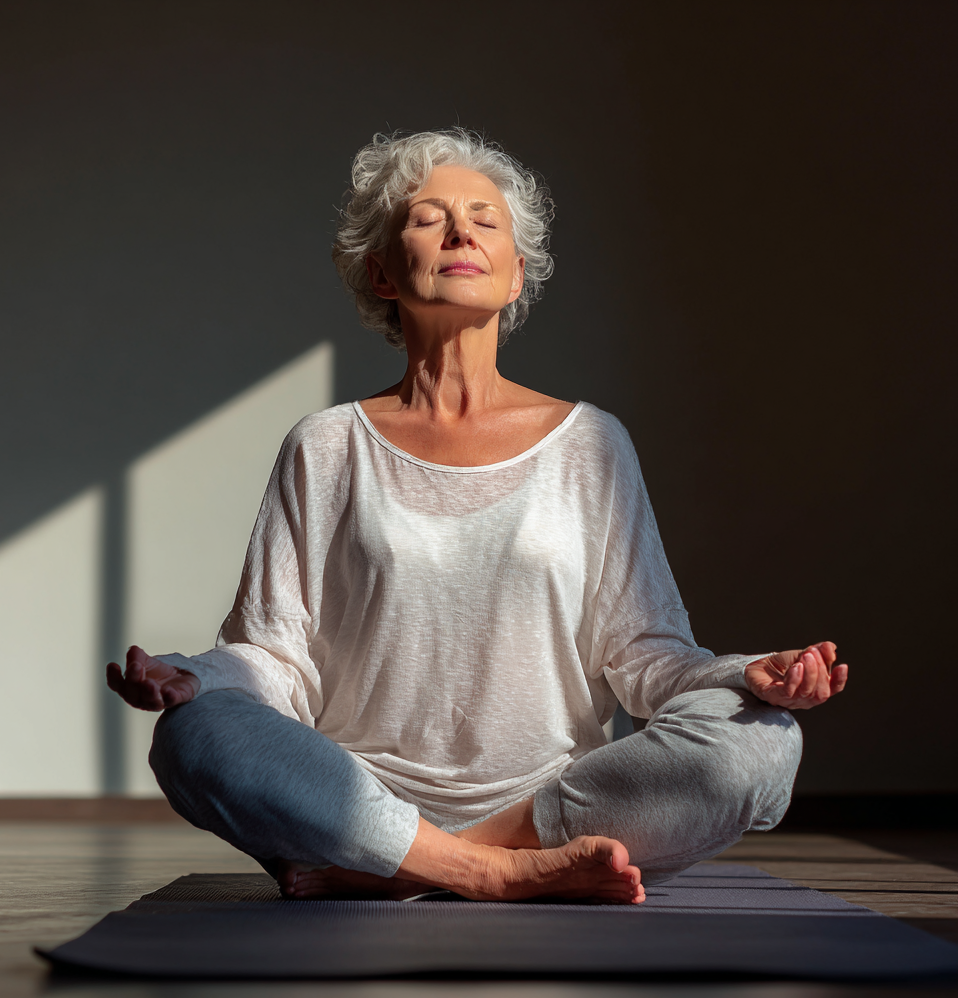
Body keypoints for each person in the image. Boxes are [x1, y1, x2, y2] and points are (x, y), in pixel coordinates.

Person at [107, 129, 847, 904]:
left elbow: (648, 657)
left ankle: (407, 867)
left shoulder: (592, 442)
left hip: (558, 806)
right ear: (382, 272)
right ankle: (487, 874)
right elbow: (275, 656)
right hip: (354, 796)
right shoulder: (324, 446)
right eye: (430, 218)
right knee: (196, 737)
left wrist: (747, 674)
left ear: (517, 273)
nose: (462, 231)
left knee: (761, 742)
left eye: (485, 221)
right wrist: (196, 676)